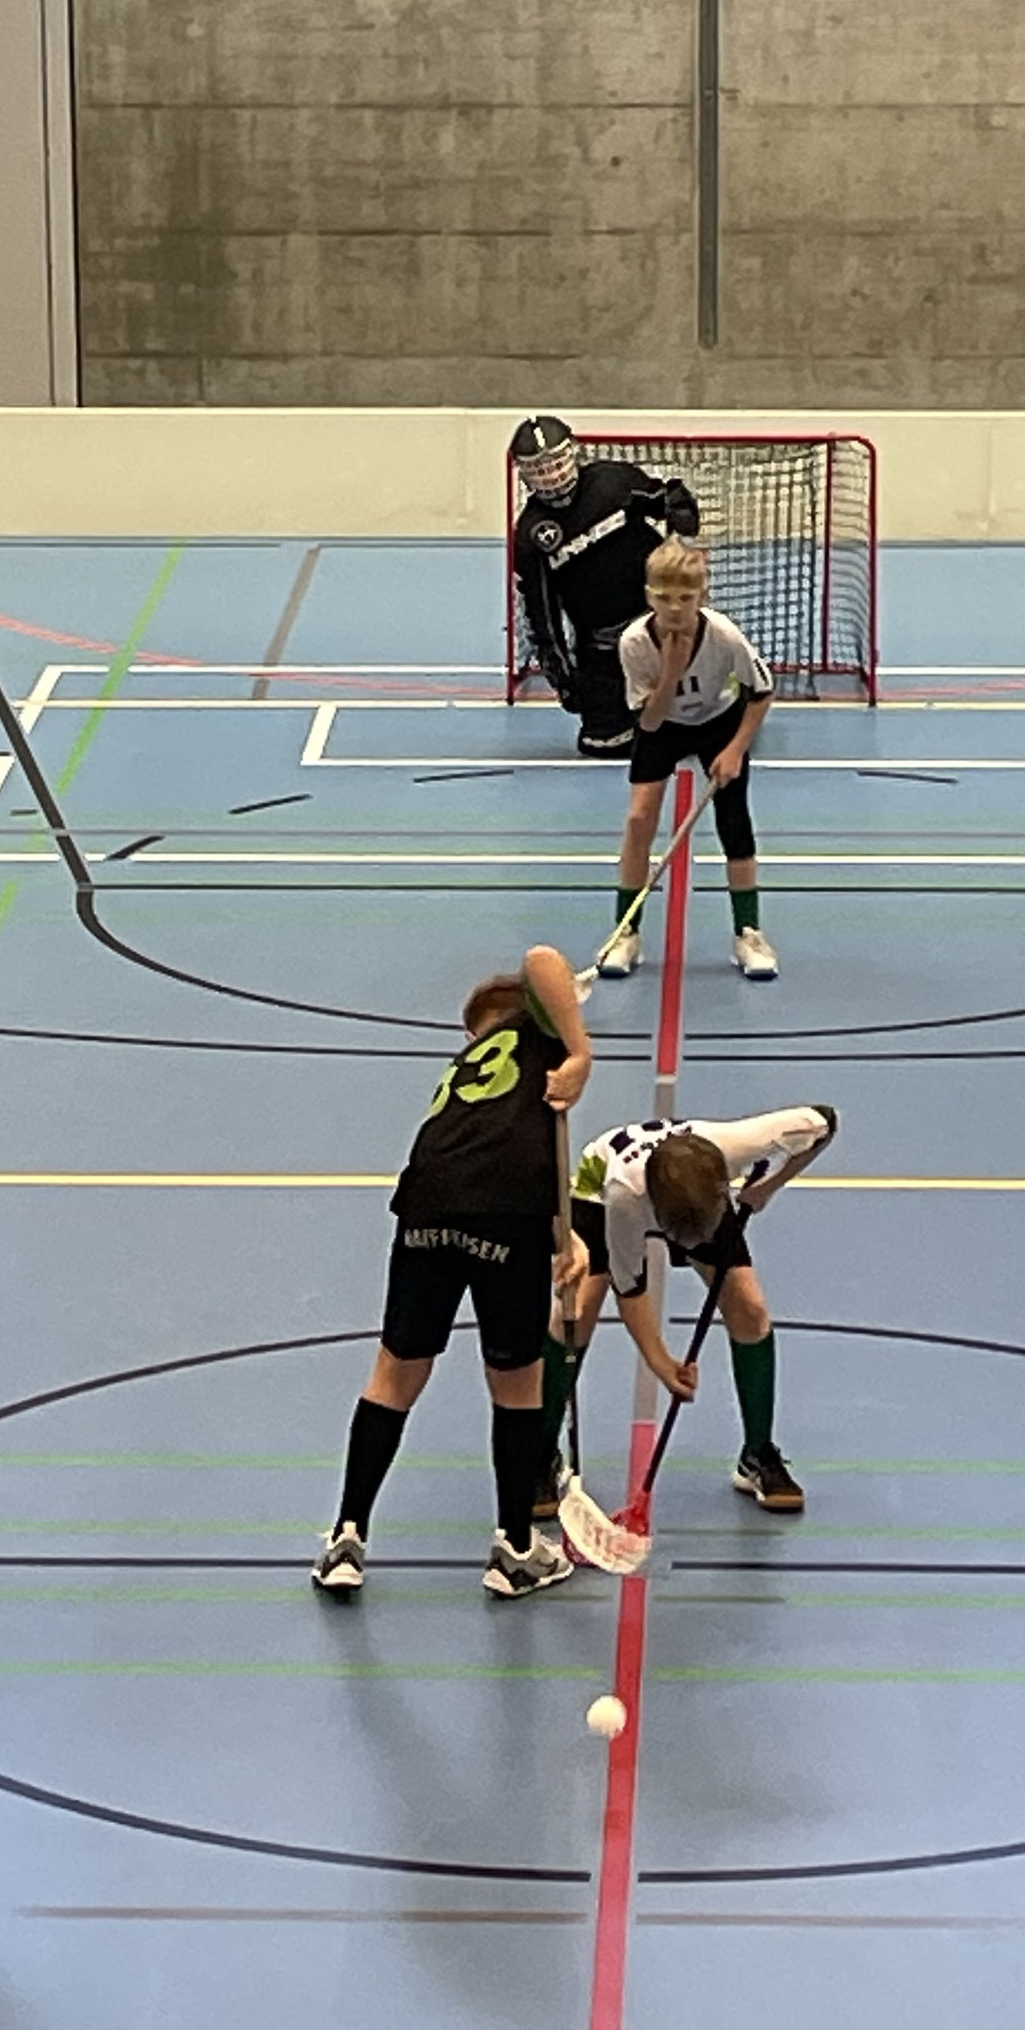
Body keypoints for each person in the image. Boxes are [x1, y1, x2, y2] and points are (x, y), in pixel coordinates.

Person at [312, 946, 592, 1600]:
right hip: (506, 1212)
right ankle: (515, 1549)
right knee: (516, 1381)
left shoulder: (475, 1066)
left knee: (395, 1371)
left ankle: (345, 1539)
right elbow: (542, 957)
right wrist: (581, 1052)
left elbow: (508, 1145)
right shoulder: (538, 1031)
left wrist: (563, 1234)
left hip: (428, 1203)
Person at [538, 1104, 837, 1517]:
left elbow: (825, 1121)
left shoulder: (737, 1144)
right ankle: (541, 1456)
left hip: (697, 1198)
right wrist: (662, 1363)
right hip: (597, 1195)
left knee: (749, 1308)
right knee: (574, 1315)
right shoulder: (625, 1197)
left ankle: (757, 1454)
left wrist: (768, 1186)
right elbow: (630, 1288)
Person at [602, 536, 780, 981]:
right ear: (649, 596)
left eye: (685, 598)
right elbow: (649, 722)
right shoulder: (634, 643)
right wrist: (671, 671)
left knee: (734, 820)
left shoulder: (723, 635)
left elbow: (762, 692)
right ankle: (626, 934)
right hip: (663, 725)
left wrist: (735, 750)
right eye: (664, 597)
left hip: (720, 721)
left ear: (703, 595)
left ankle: (749, 933)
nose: (675, 608)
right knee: (639, 819)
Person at [510, 416, 701, 759]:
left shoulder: (613, 481)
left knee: (707, 712)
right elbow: (542, 613)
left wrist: (681, 518)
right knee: (601, 742)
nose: (551, 475)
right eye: (538, 469)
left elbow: (667, 498)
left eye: (555, 462)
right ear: (524, 474)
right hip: (601, 641)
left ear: (573, 453)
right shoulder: (531, 534)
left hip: (661, 618)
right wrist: (562, 674)